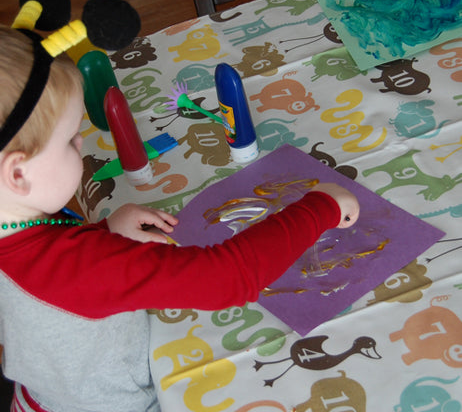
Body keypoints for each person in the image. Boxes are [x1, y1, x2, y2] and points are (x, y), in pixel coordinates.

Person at [0, 24, 359, 412]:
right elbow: (227, 278)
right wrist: (320, 207)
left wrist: (106, 230)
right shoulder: (81, 264)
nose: (82, 143)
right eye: (71, 139)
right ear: (18, 174)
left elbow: (53, 272)